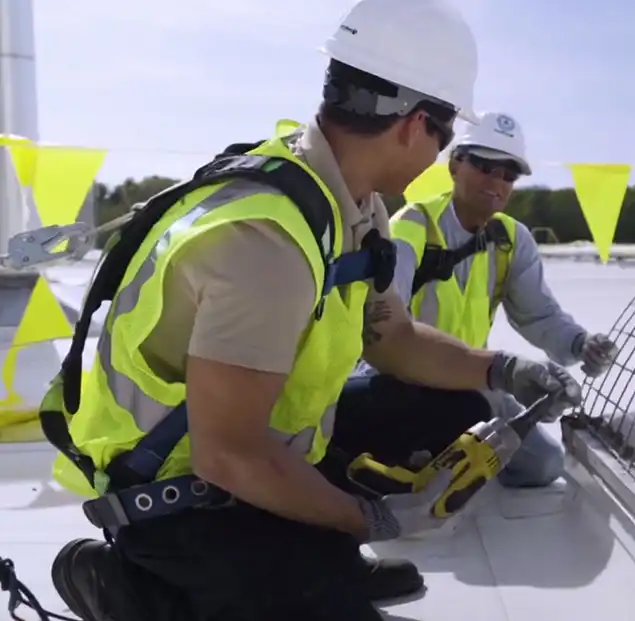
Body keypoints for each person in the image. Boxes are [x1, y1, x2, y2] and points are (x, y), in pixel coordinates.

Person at [43, 1, 582, 620]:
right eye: (447, 137)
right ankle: (133, 585)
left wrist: (503, 370)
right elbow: (230, 455)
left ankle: (313, 555)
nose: (440, 156)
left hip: (260, 436)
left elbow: (395, 340)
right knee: (327, 602)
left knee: (458, 407)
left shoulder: (351, 203)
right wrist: (370, 518)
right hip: (179, 486)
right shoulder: (264, 242)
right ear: (413, 125)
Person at [383, 111, 619, 490]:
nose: (497, 181)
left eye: (509, 174)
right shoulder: (412, 225)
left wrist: (579, 343)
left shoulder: (511, 238)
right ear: (456, 163)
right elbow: (385, 326)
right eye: (486, 165)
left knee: (543, 465)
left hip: (475, 377)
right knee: (412, 473)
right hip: (406, 378)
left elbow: (539, 315)